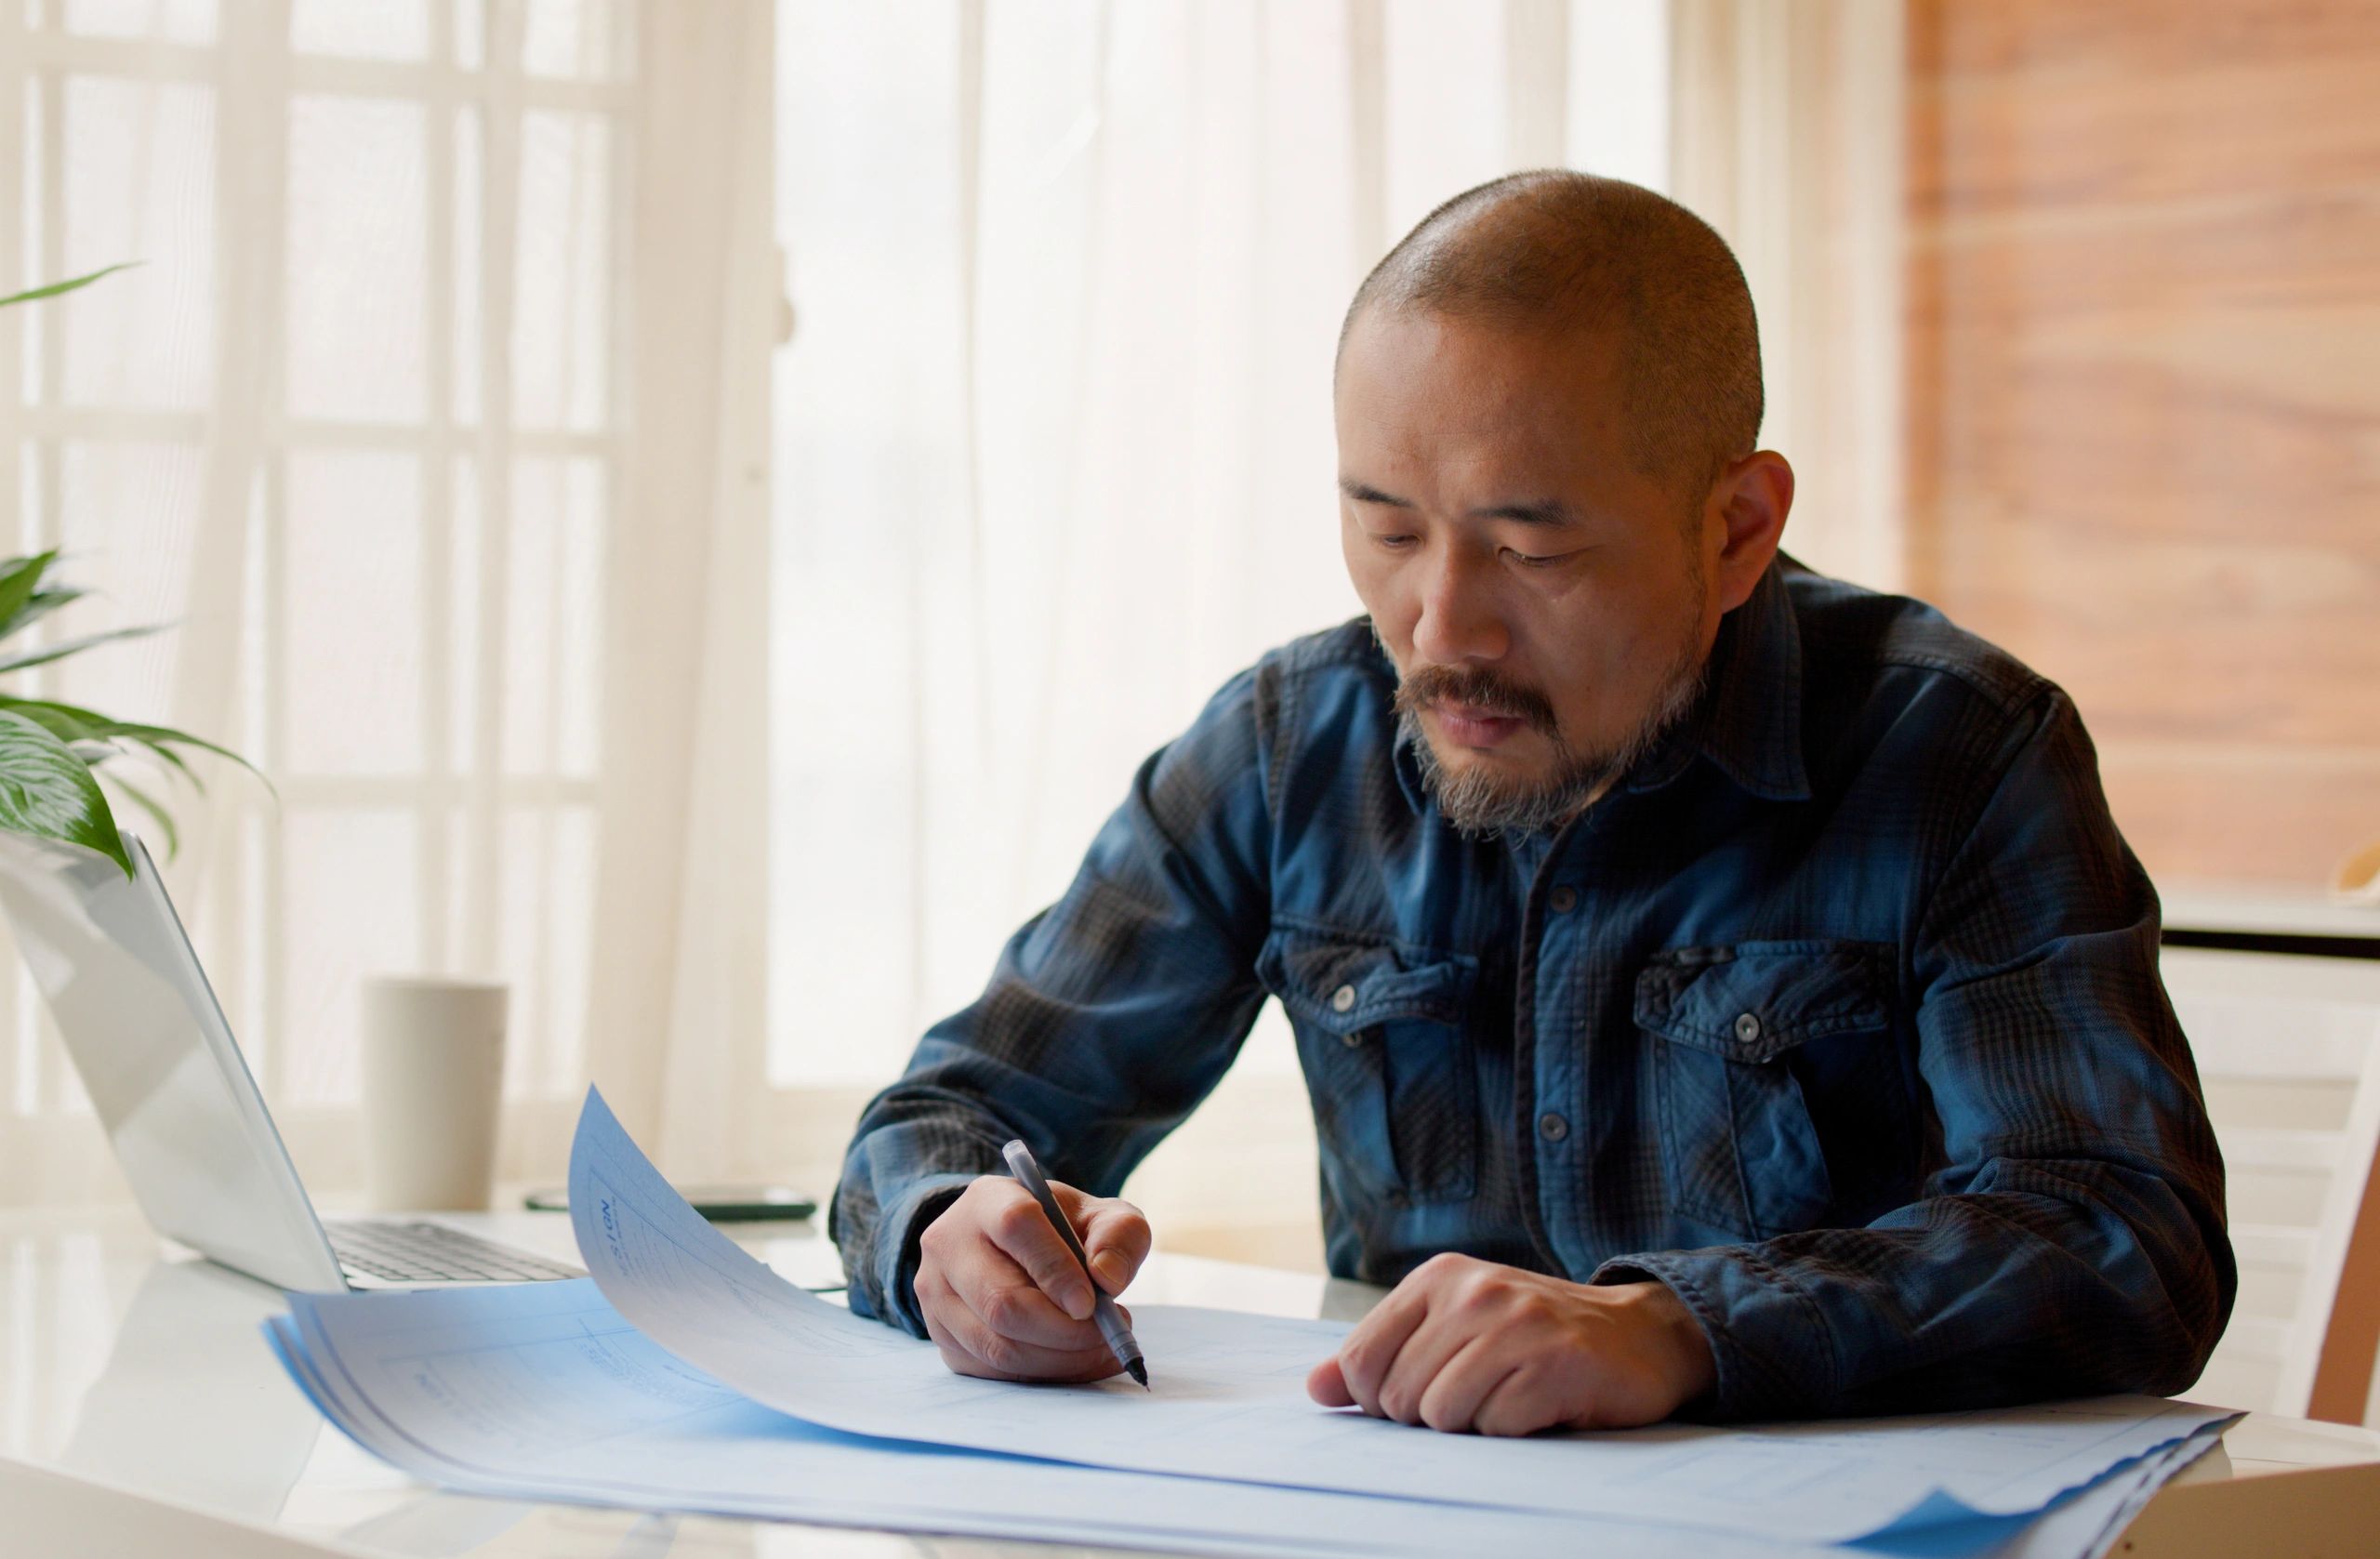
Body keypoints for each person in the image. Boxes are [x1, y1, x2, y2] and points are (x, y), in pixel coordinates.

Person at [829, 170, 2233, 1434]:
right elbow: (954, 1112)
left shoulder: (1954, 753)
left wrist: (1678, 1327)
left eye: (1531, 549)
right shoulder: (1287, 747)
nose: (1442, 629)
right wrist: (958, 1233)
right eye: (1387, 527)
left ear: (1735, 529)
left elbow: (2123, 1236)